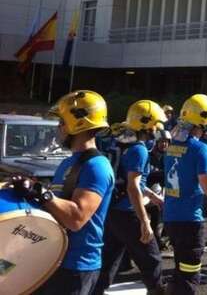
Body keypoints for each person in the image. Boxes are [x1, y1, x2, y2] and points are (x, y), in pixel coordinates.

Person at [11, 90, 115, 295]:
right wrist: (29, 192)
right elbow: (57, 205)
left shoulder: (97, 166)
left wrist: (42, 194)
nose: (59, 128)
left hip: (77, 267)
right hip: (54, 258)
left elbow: (76, 218)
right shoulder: (68, 162)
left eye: (62, 123)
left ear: (78, 125)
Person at [163, 94, 207, 295]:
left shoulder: (172, 146)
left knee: (180, 271)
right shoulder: (200, 149)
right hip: (190, 220)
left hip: (171, 217)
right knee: (189, 276)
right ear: (202, 123)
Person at [94, 100, 166, 295]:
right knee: (152, 260)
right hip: (128, 212)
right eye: (155, 124)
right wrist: (144, 221)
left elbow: (130, 181)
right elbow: (133, 186)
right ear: (146, 125)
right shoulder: (139, 150)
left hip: (112, 210)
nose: (157, 129)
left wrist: (152, 195)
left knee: (108, 260)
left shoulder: (119, 143)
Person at [147, 128, 171, 250]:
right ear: (156, 142)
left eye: (166, 142)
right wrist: (161, 174)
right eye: (161, 141)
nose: (164, 144)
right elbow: (148, 176)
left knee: (168, 219)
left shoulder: (169, 158)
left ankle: (162, 241)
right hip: (148, 194)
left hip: (163, 195)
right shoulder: (148, 156)